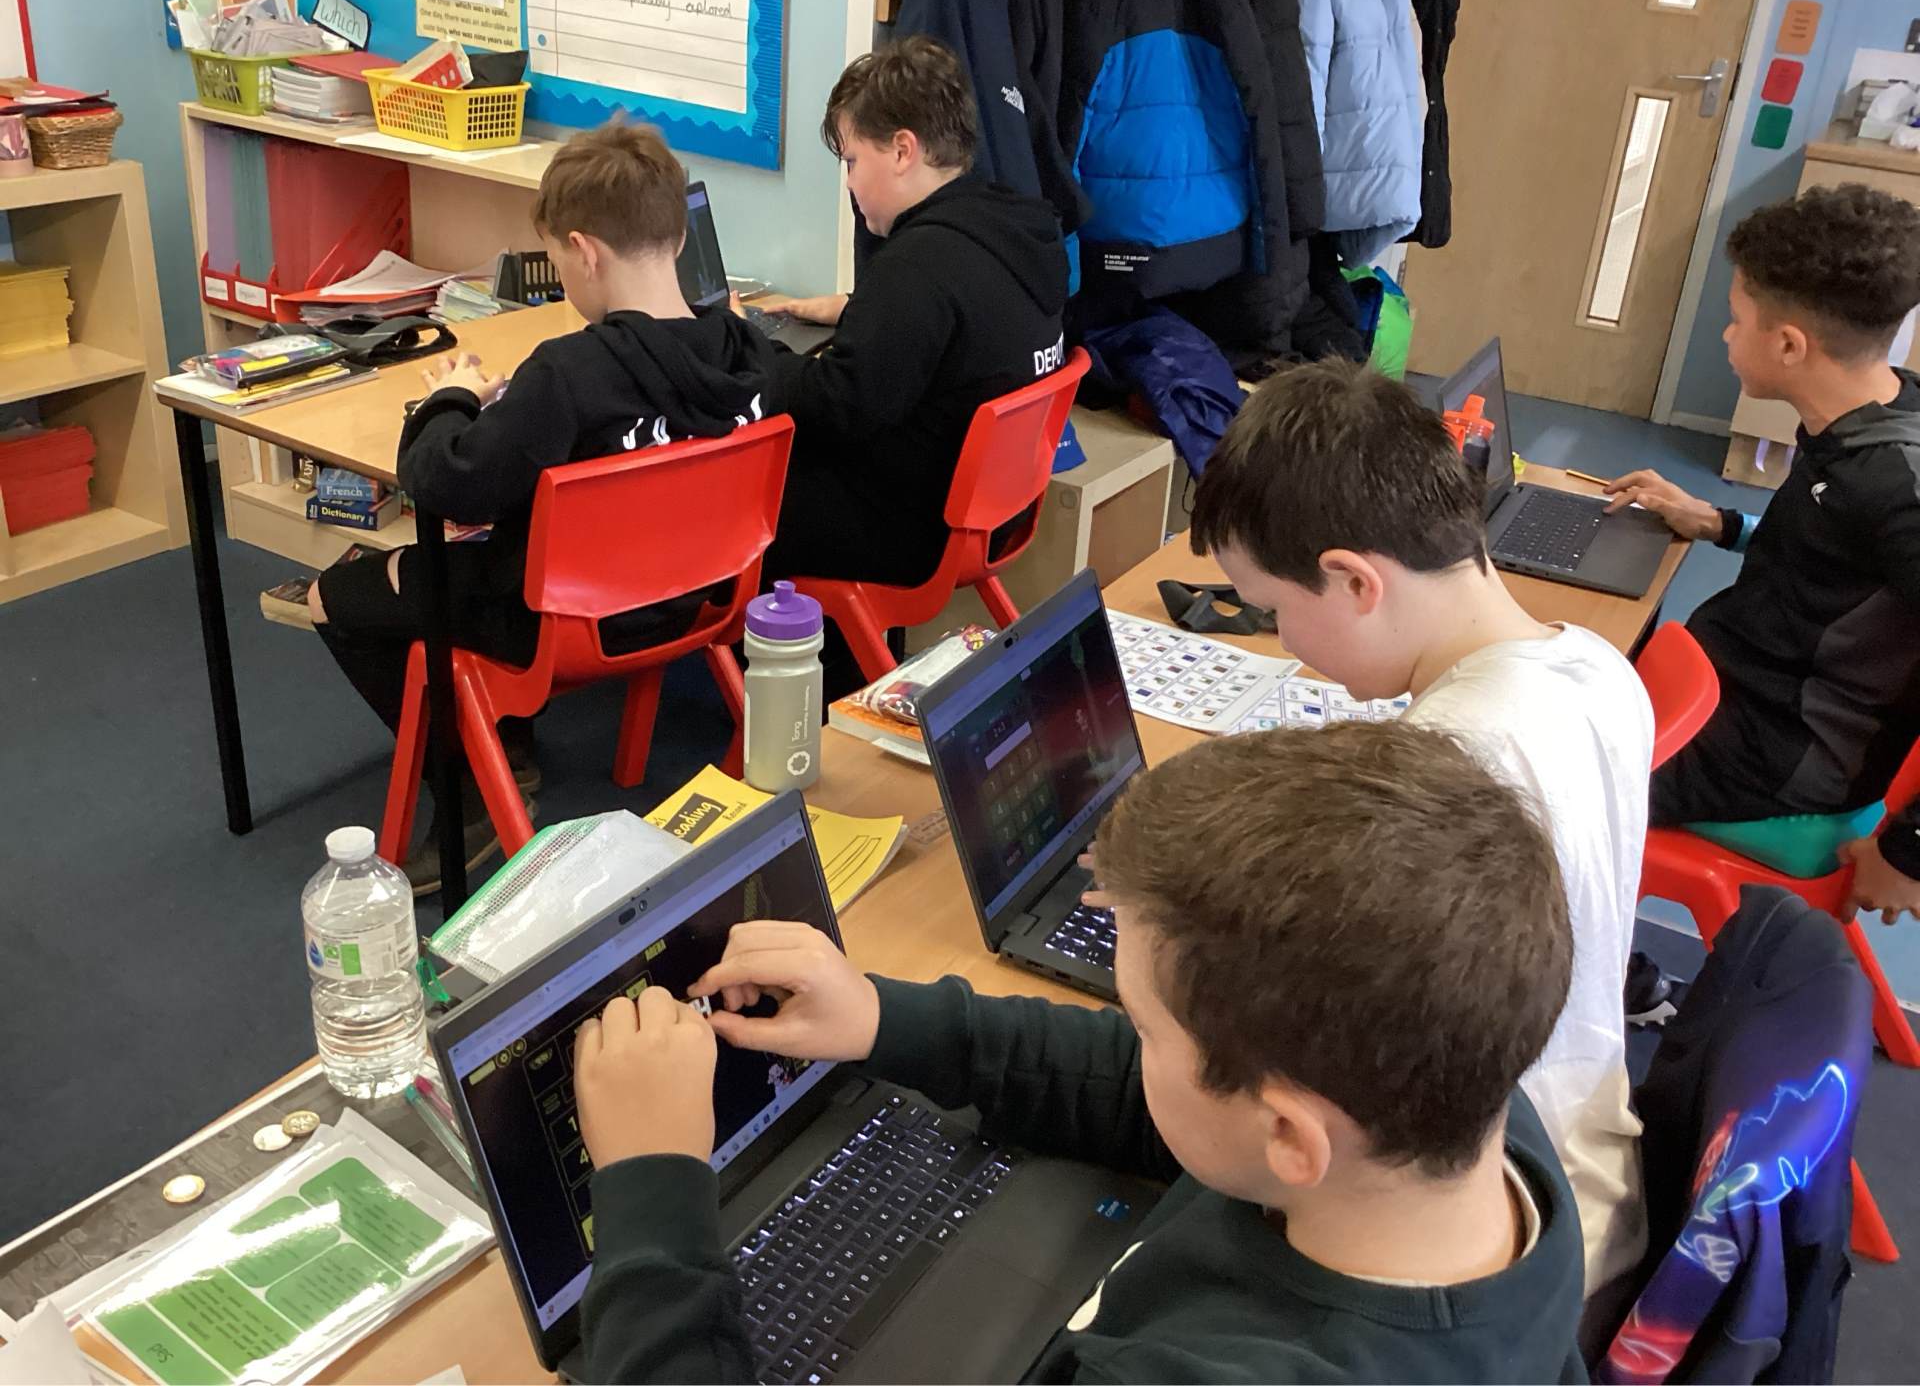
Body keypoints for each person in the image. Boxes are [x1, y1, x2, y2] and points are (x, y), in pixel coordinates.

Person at [572, 725, 1587, 1382]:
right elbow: (1155, 1095)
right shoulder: (1467, 1127)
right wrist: (884, 1020)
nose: (1127, 1044)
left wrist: (652, 1187)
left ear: (1289, 1135)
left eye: (1144, 1026)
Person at [1187, 359, 1654, 1328]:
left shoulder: (1449, 766)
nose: (1281, 640)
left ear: (1355, 580)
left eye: (1275, 610)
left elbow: (1343, 1036)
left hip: (1496, 1232)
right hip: (1586, 1155)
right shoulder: (1594, 663)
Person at [310, 121, 777, 892]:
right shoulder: (747, 349)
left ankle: (471, 788)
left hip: (564, 627)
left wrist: (453, 398)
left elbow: (443, 482)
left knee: (340, 592)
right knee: (476, 554)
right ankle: (507, 743)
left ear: (585, 252)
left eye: (559, 262)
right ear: (675, 233)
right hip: (699, 600)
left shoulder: (568, 372)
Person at [1605, 184, 1920, 927]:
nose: (1725, 334)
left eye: (1736, 317)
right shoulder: (1878, 410)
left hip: (1778, 755)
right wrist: (1720, 523)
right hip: (1740, 692)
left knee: (1519, 780)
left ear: (1788, 345)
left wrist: (1909, 852)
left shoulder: (1897, 487)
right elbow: (1844, 561)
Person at [759, 35, 1070, 596]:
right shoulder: (1012, 230)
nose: (850, 183)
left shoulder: (918, 265)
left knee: (738, 492)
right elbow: (965, 332)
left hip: (914, 529)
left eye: (853, 161)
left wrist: (755, 352)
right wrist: (859, 309)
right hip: (996, 512)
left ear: (903, 150)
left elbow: (837, 407)